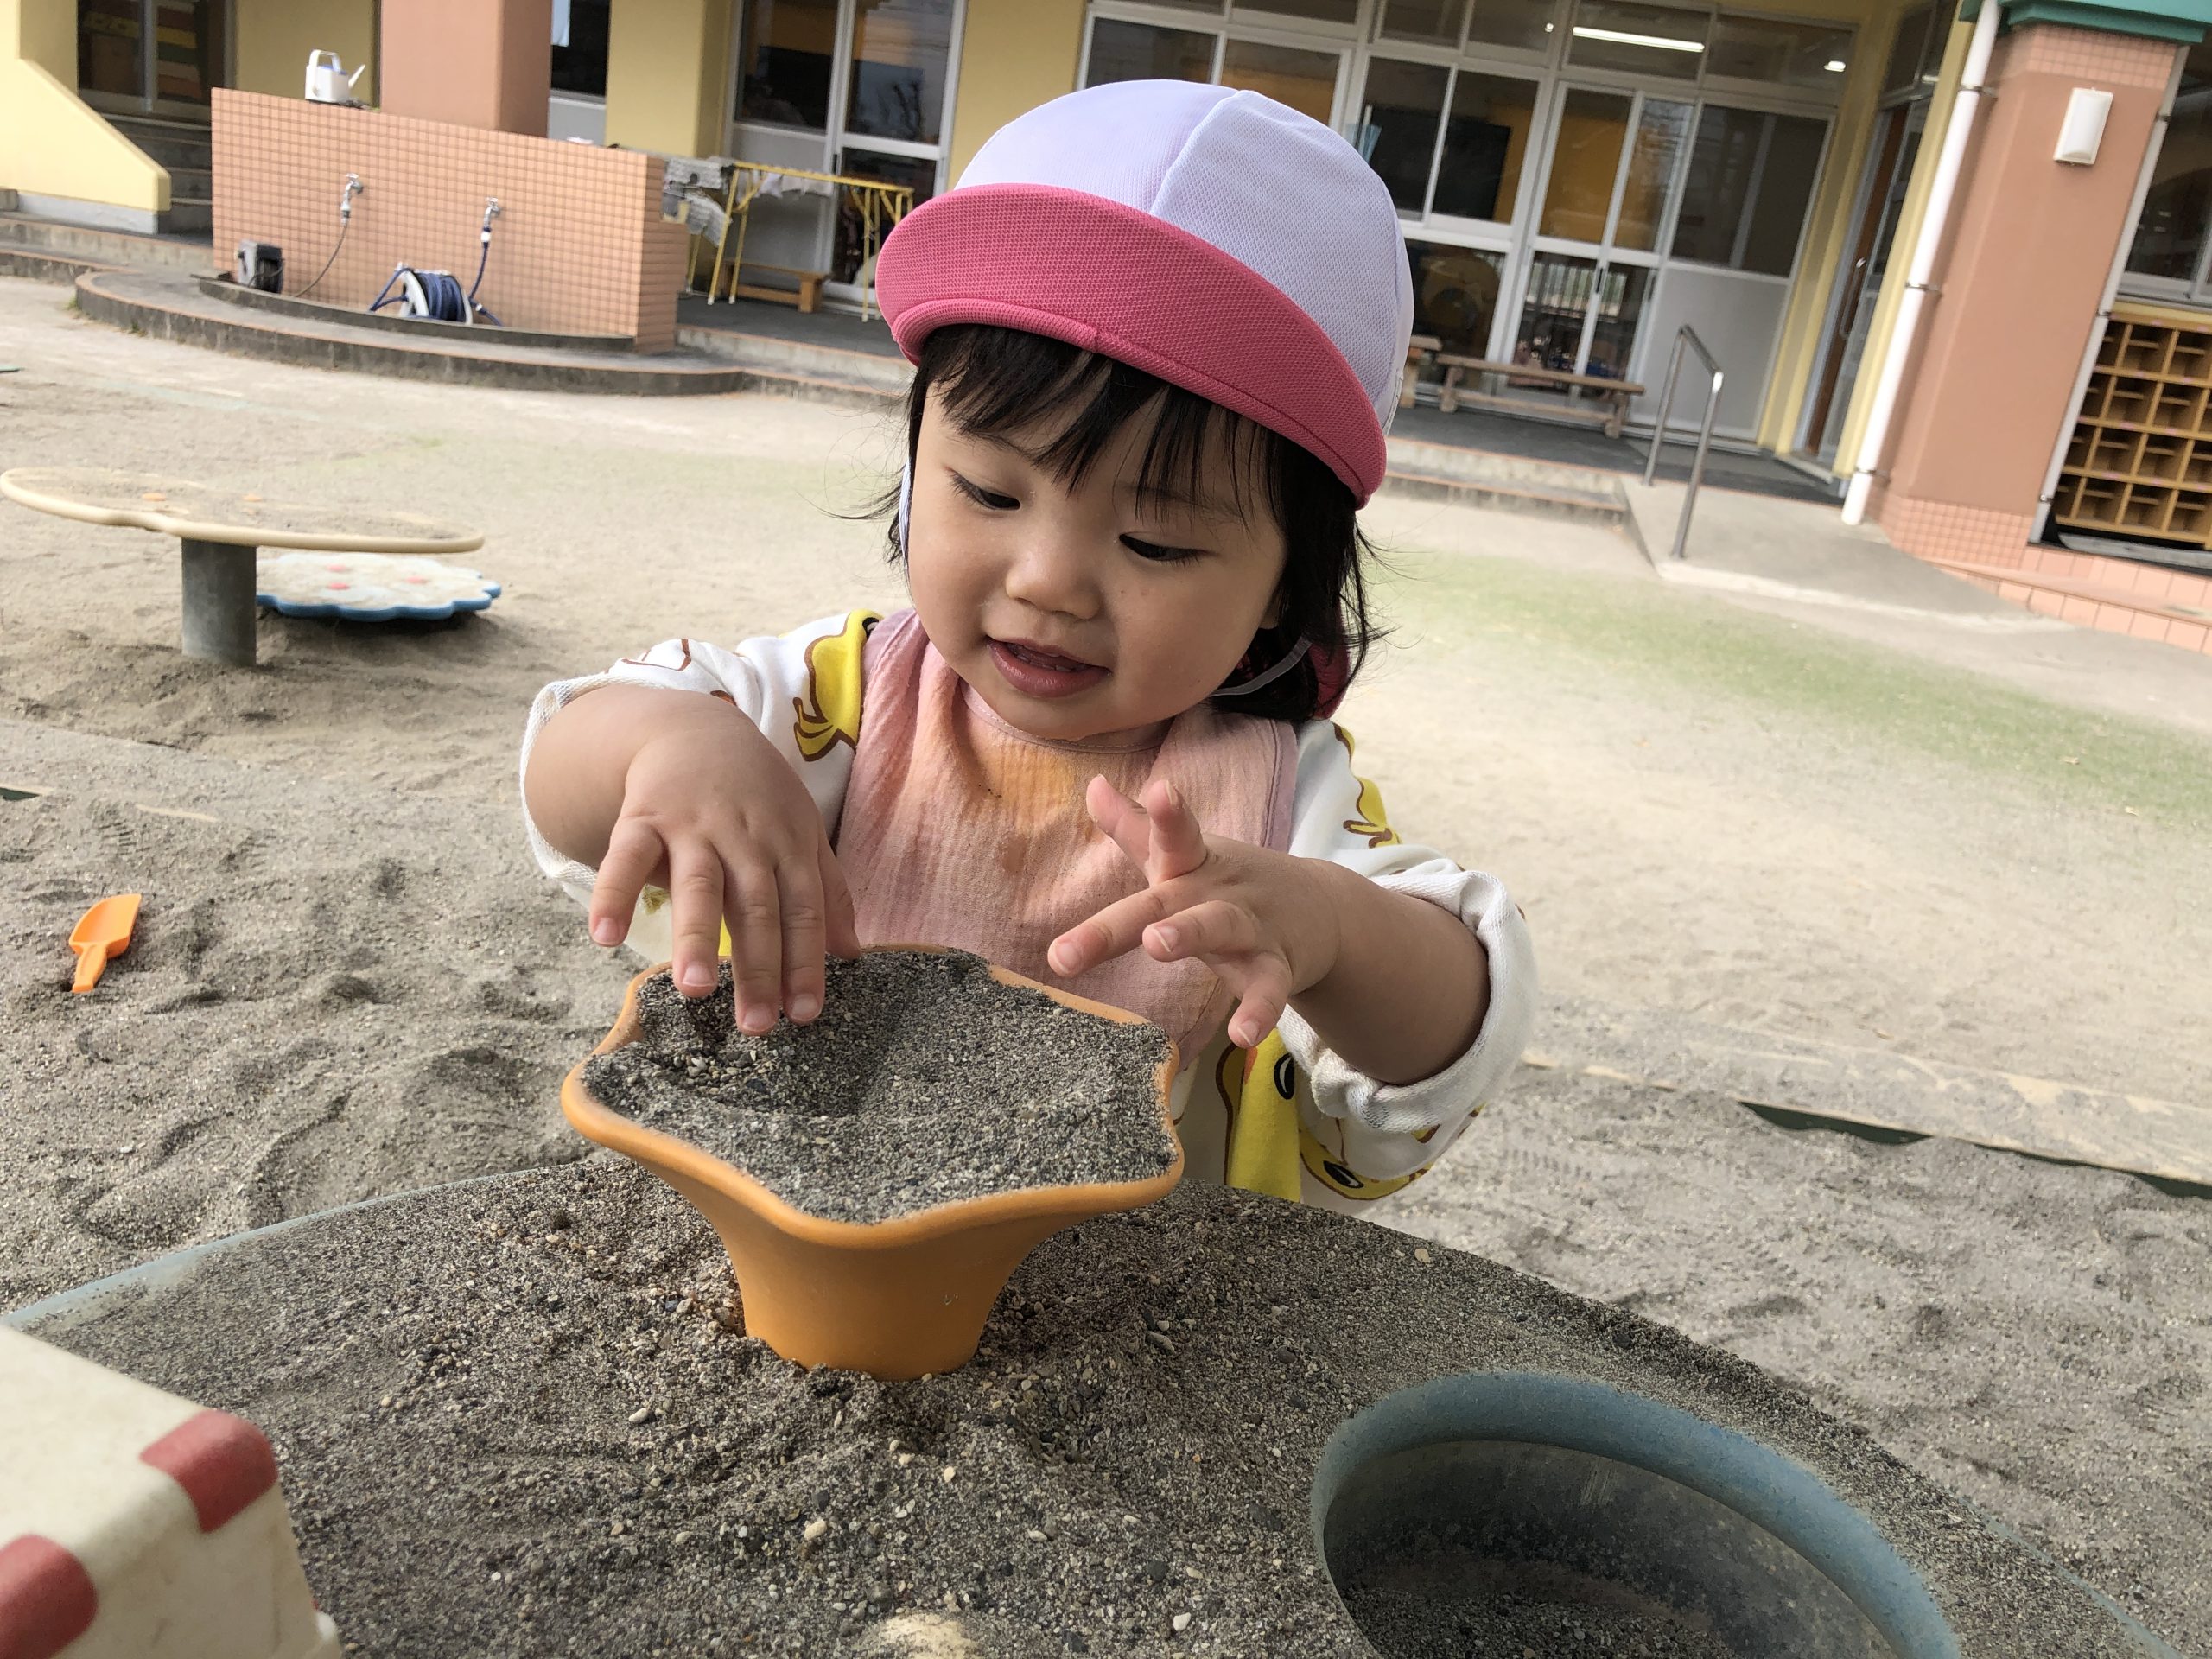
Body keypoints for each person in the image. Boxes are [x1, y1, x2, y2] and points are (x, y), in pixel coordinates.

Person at [520, 80, 1536, 1212]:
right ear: (918, 467)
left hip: (1135, 1289)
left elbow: (1454, 1038)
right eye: (991, 493)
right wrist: (669, 747)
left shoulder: (1276, 795)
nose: (1047, 579)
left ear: (1282, 589)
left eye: (1154, 541)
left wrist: (1334, 931)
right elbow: (566, 775)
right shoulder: (844, 700)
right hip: (804, 1232)